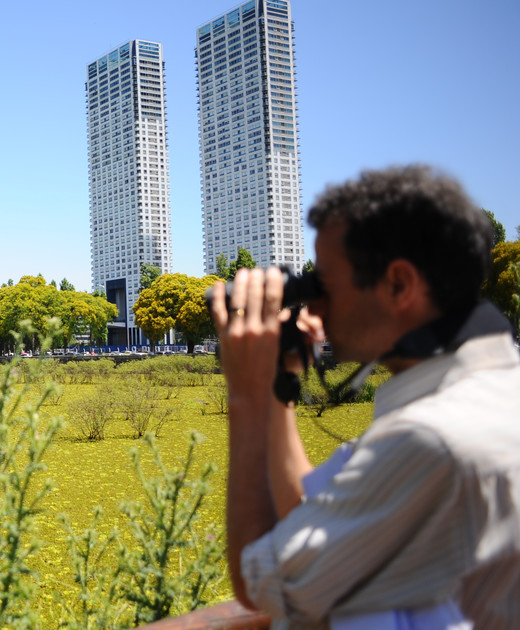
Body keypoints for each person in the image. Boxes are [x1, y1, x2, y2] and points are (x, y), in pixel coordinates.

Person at [211, 165, 520, 629]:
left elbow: (261, 581)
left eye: (325, 285)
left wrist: (247, 394)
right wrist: (280, 378)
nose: (314, 304)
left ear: (399, 284)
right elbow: (311, 523)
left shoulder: (428, 439)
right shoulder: (487, 393)